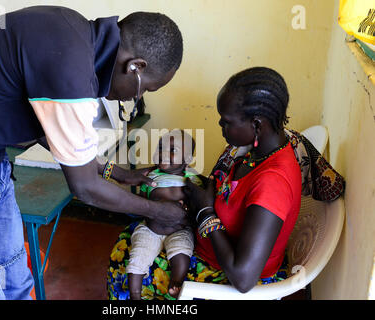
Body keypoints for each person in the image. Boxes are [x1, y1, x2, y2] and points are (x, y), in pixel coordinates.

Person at [0, 6, 186, 300]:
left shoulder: (73, 33)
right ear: (135, 66)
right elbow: (85, 188)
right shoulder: (72, 70)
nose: (137, 97)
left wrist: (117, 173)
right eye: (145, 89)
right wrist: (157, 211)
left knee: (16, 280)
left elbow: (48, 130)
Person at [107, 67, 302, 299]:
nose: (220, 126)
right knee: (131, 240)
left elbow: (243, 278)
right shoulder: (252, 150)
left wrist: (206, 213)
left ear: (257, 125)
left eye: (226, 122)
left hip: (224, 276)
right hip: (203, 243)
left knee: (123, 267)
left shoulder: (273, 182)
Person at [127, 130, 203, 300]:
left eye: (172, 150)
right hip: (151, 228)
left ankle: (176, 282)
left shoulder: (191, 179)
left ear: (188, 159)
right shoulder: (151, 176)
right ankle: (135, 294)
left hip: (179, 229)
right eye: (160, 148)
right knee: (137, 257)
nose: (163, 153)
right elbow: (142, 200)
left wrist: (189, 208)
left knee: (182, 250)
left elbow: (198, 202)